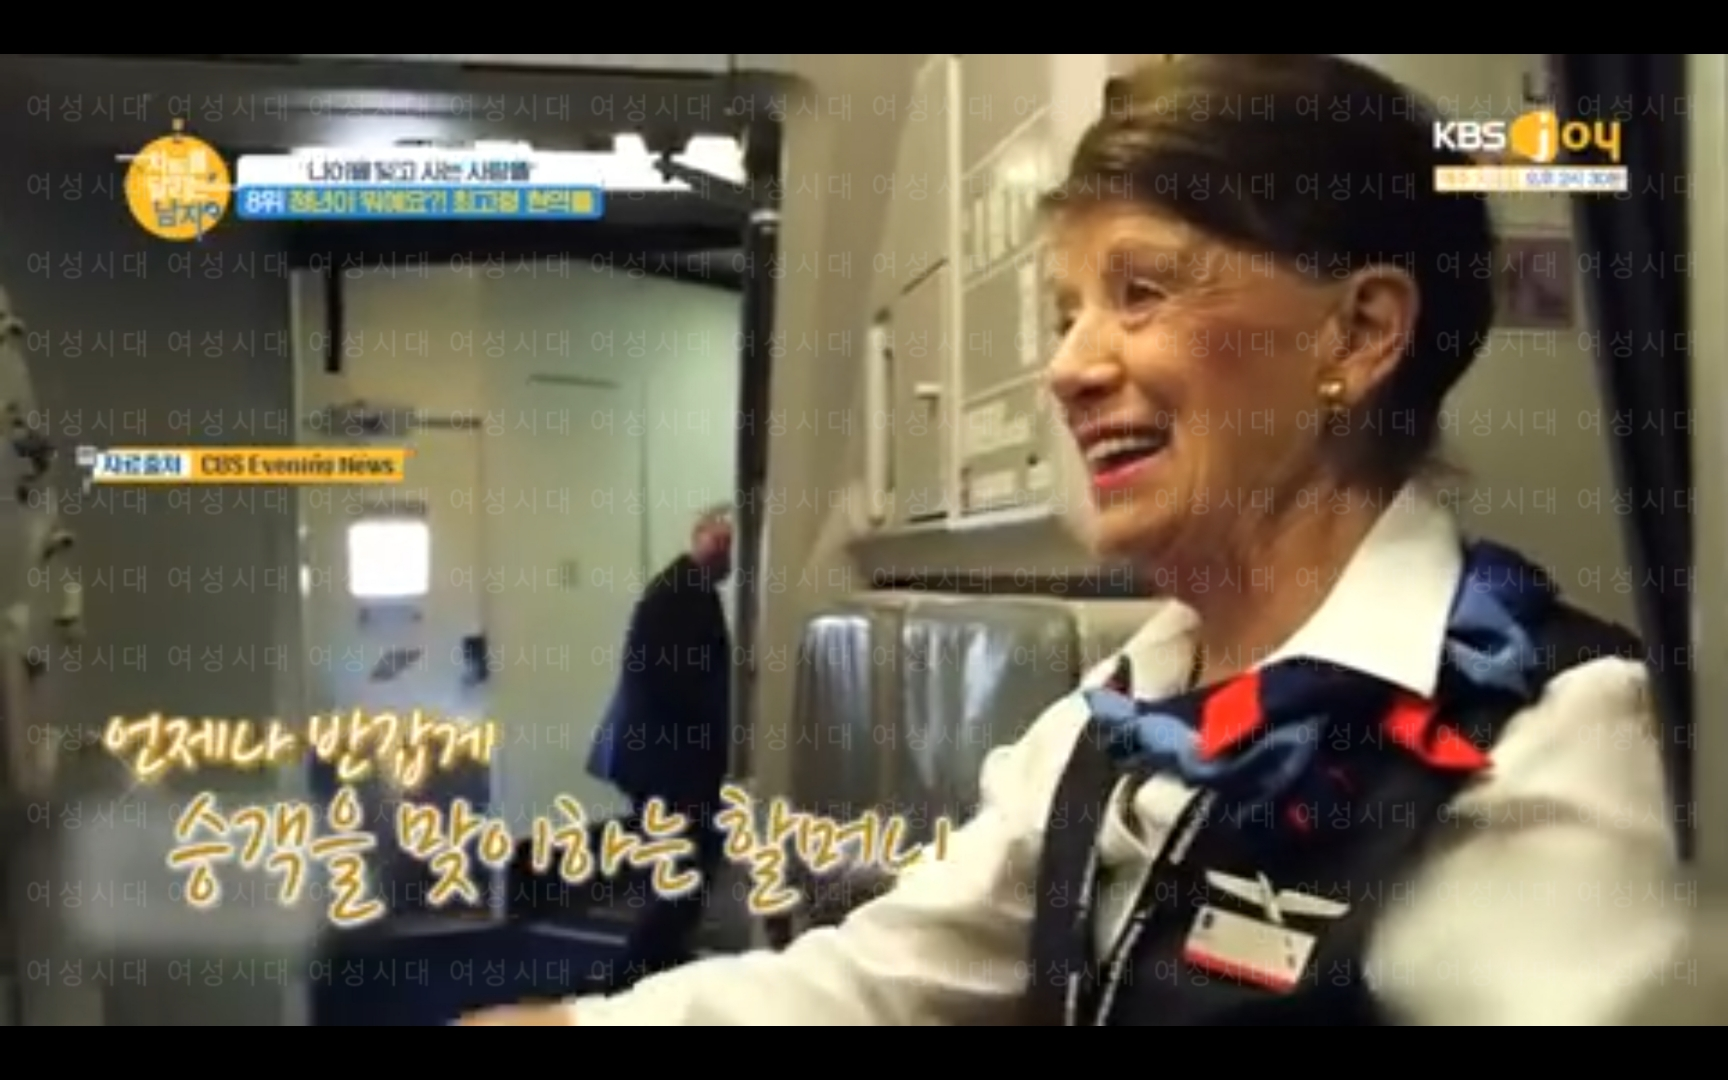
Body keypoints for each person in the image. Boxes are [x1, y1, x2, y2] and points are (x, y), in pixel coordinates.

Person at [461, 54, 1682, 1027]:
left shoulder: (1550, 743)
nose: (1068, 368)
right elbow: (881, 980)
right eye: (1067, 314)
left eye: (1142, 293)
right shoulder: (1117, 717)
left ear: (1358, 336)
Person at [583, 504, 734, 988]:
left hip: (657, 760)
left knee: (678, 871)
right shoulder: (684, 595)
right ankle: (630, 979)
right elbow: (683, 687)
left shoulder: (679, 589)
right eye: (727, 541)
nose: (733, 556)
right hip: (668, 764)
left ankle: (654, 970)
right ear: (710, 539)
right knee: (682, 874)